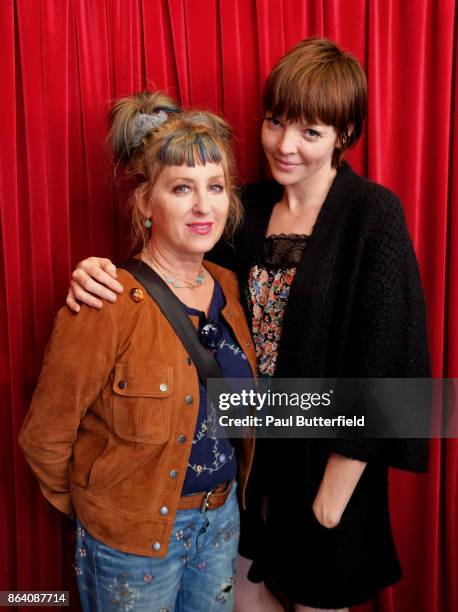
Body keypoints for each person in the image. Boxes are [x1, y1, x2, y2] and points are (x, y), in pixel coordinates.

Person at [65, 38, 430, 611]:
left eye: (310, 132)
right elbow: (177, 278)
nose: (285, 145)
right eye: (276, 122)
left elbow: (392, 369)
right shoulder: (244, 208)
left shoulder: (372, 215)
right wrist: (96, 273)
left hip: (327, 474)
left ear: (345, 135)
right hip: (243, 475)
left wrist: (328, 504)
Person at [19, 91, 259, 612]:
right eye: (181, 188)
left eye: (215, 187)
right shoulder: (106, 302)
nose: (203, 206)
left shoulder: (229, 288)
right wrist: (103, 511)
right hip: (131, 544)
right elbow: (45, 437)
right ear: (146, 203)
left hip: (221, 524)